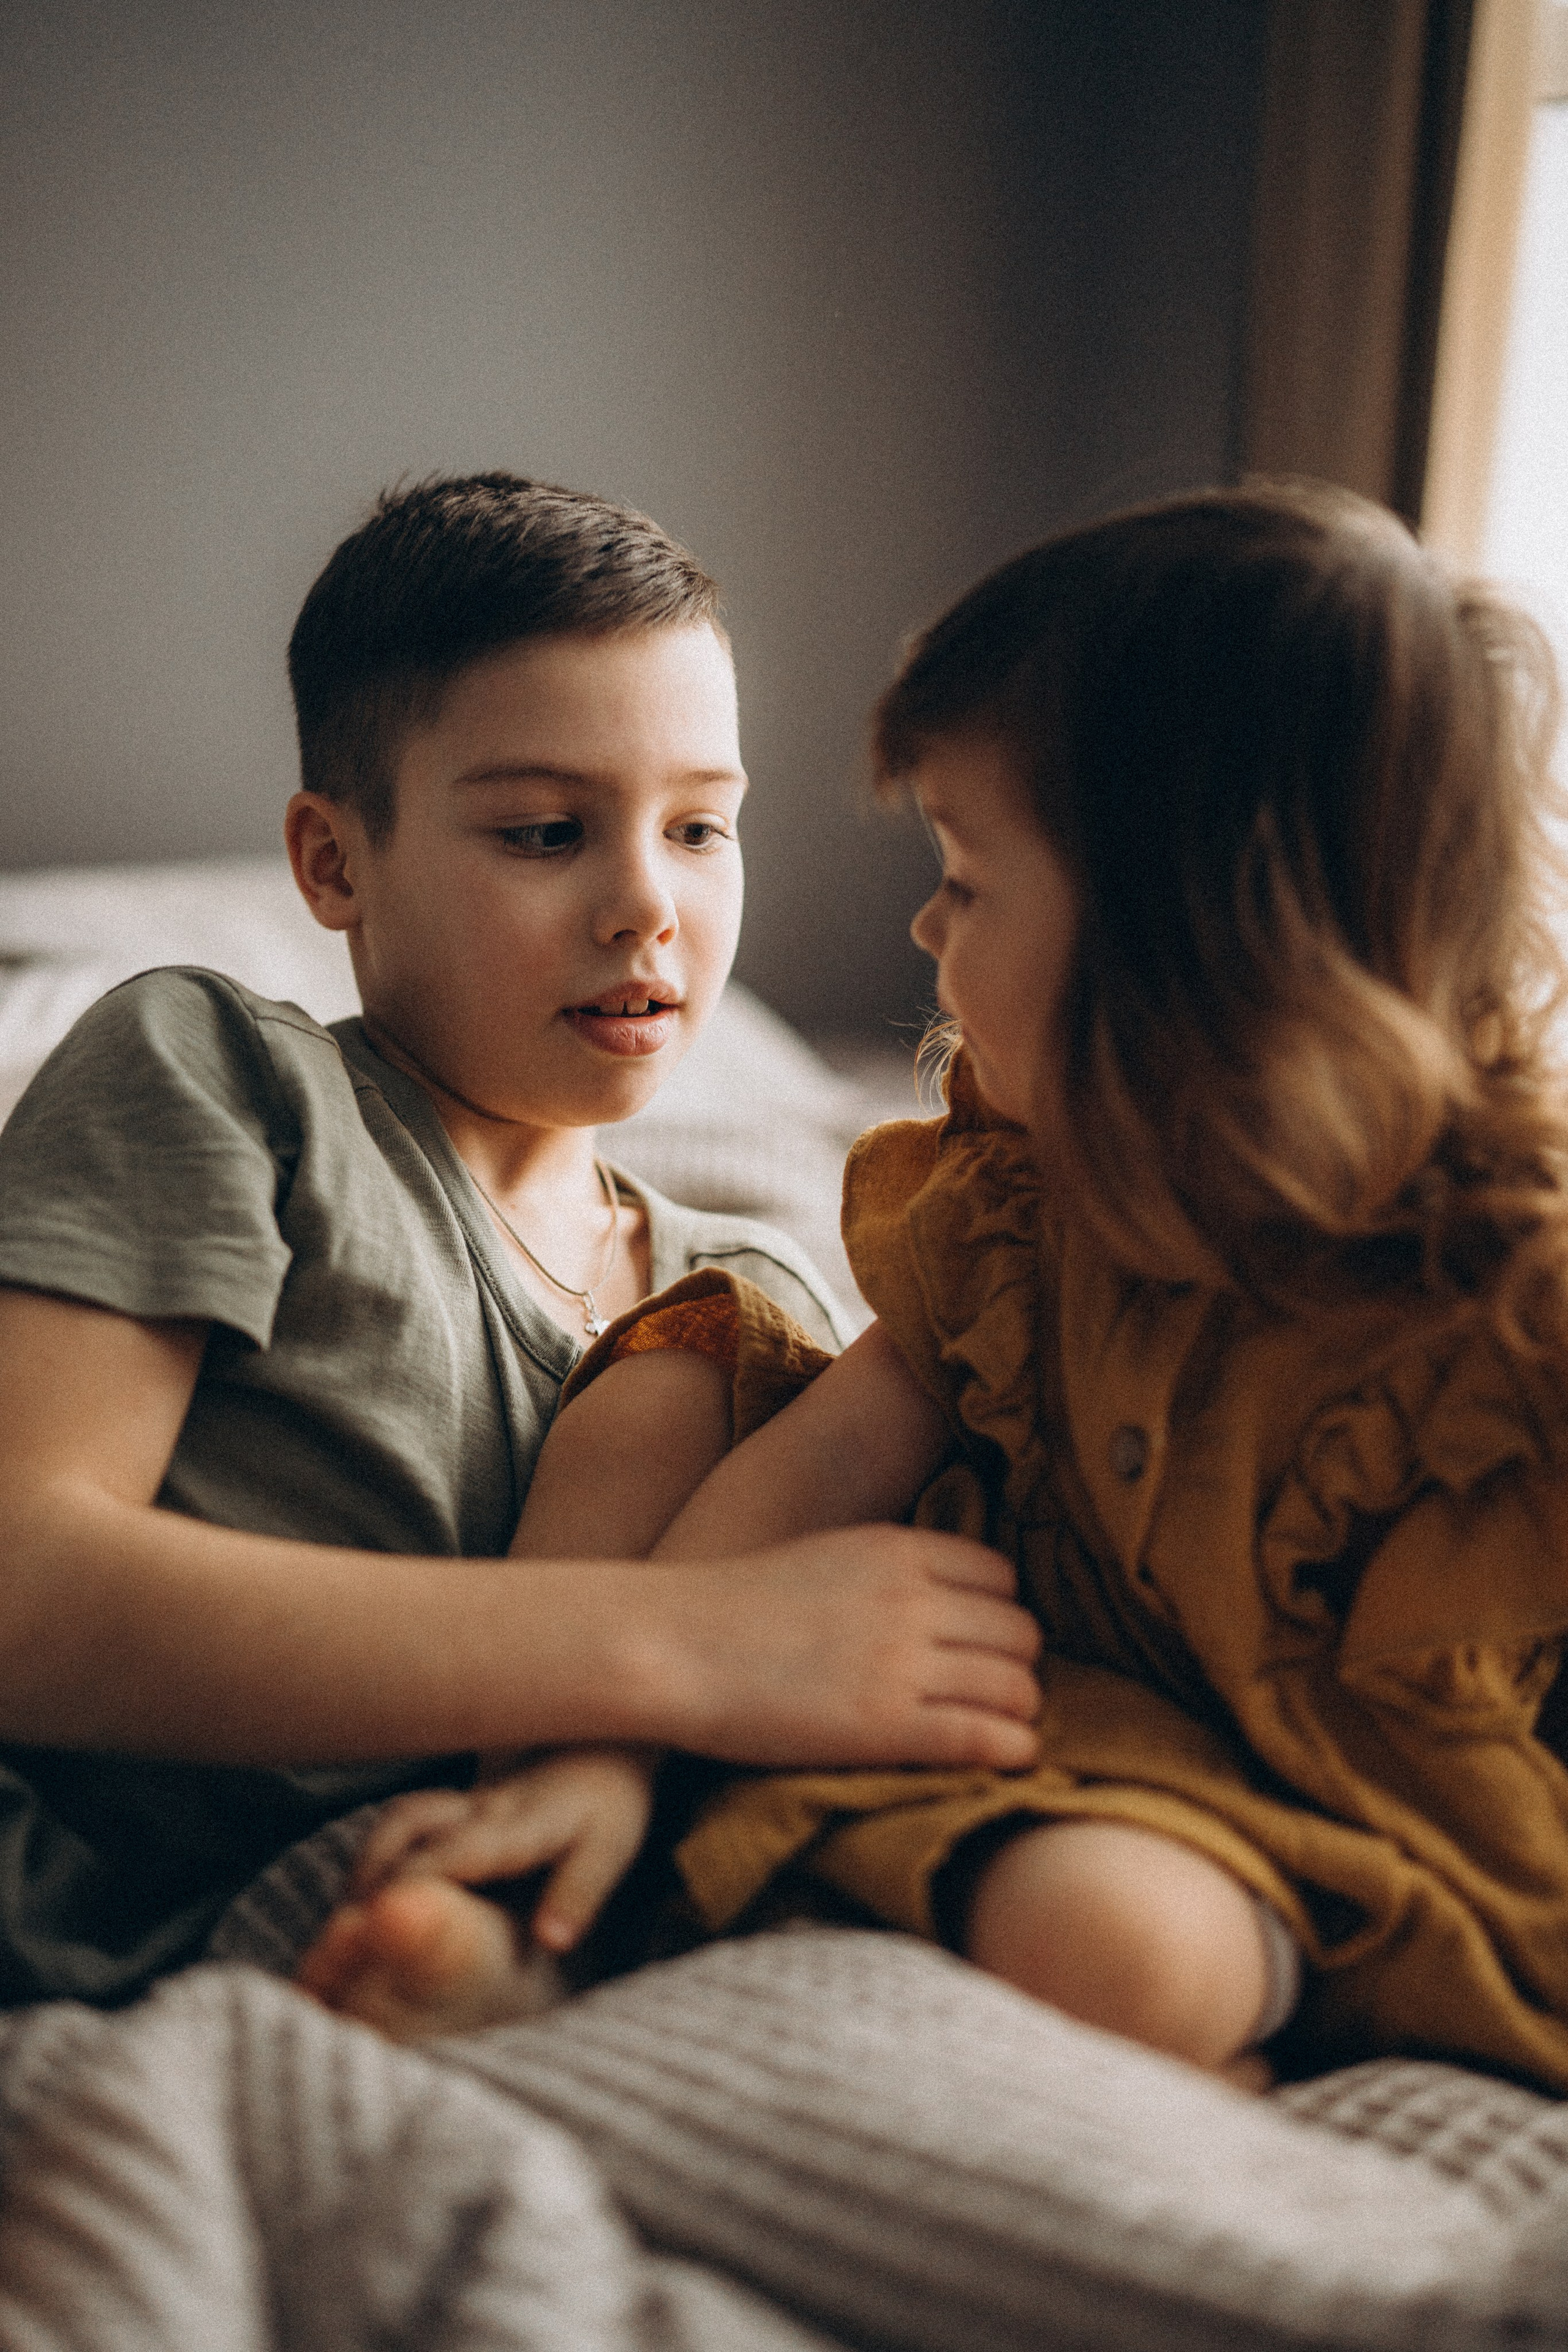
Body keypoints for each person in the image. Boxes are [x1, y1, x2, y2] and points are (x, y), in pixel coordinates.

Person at [301, 479, 1568, 2095]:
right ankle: (549, 1862)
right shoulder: (1016, 1203)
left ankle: (1180, 2025)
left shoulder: (1497, 1314)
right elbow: (832, 1455)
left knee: (1113, 1946)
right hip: (956, 1672)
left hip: (1279, 1816)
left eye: (966, 883)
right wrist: (618, 1745)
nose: (922, 921)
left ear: (1181, 945)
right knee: (681, 1368)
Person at [0, 472, 1043, 2009]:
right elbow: (27, 1592)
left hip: (477, 1923)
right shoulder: (220, 1075)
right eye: (548, 831)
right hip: (80, 1923)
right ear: (334, 863)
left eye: (699, 827)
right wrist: (682, 1642)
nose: (645, 904)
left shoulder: (736, 1296)